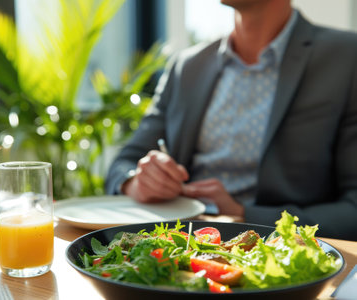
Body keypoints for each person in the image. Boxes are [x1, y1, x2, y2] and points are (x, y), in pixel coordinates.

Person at [105, 0, 357, 241]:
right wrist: (137, 182)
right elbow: (122, 164)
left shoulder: (346, 59)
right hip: (180, 252)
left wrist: (244, 215)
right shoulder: (186, 67)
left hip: (282, 262)